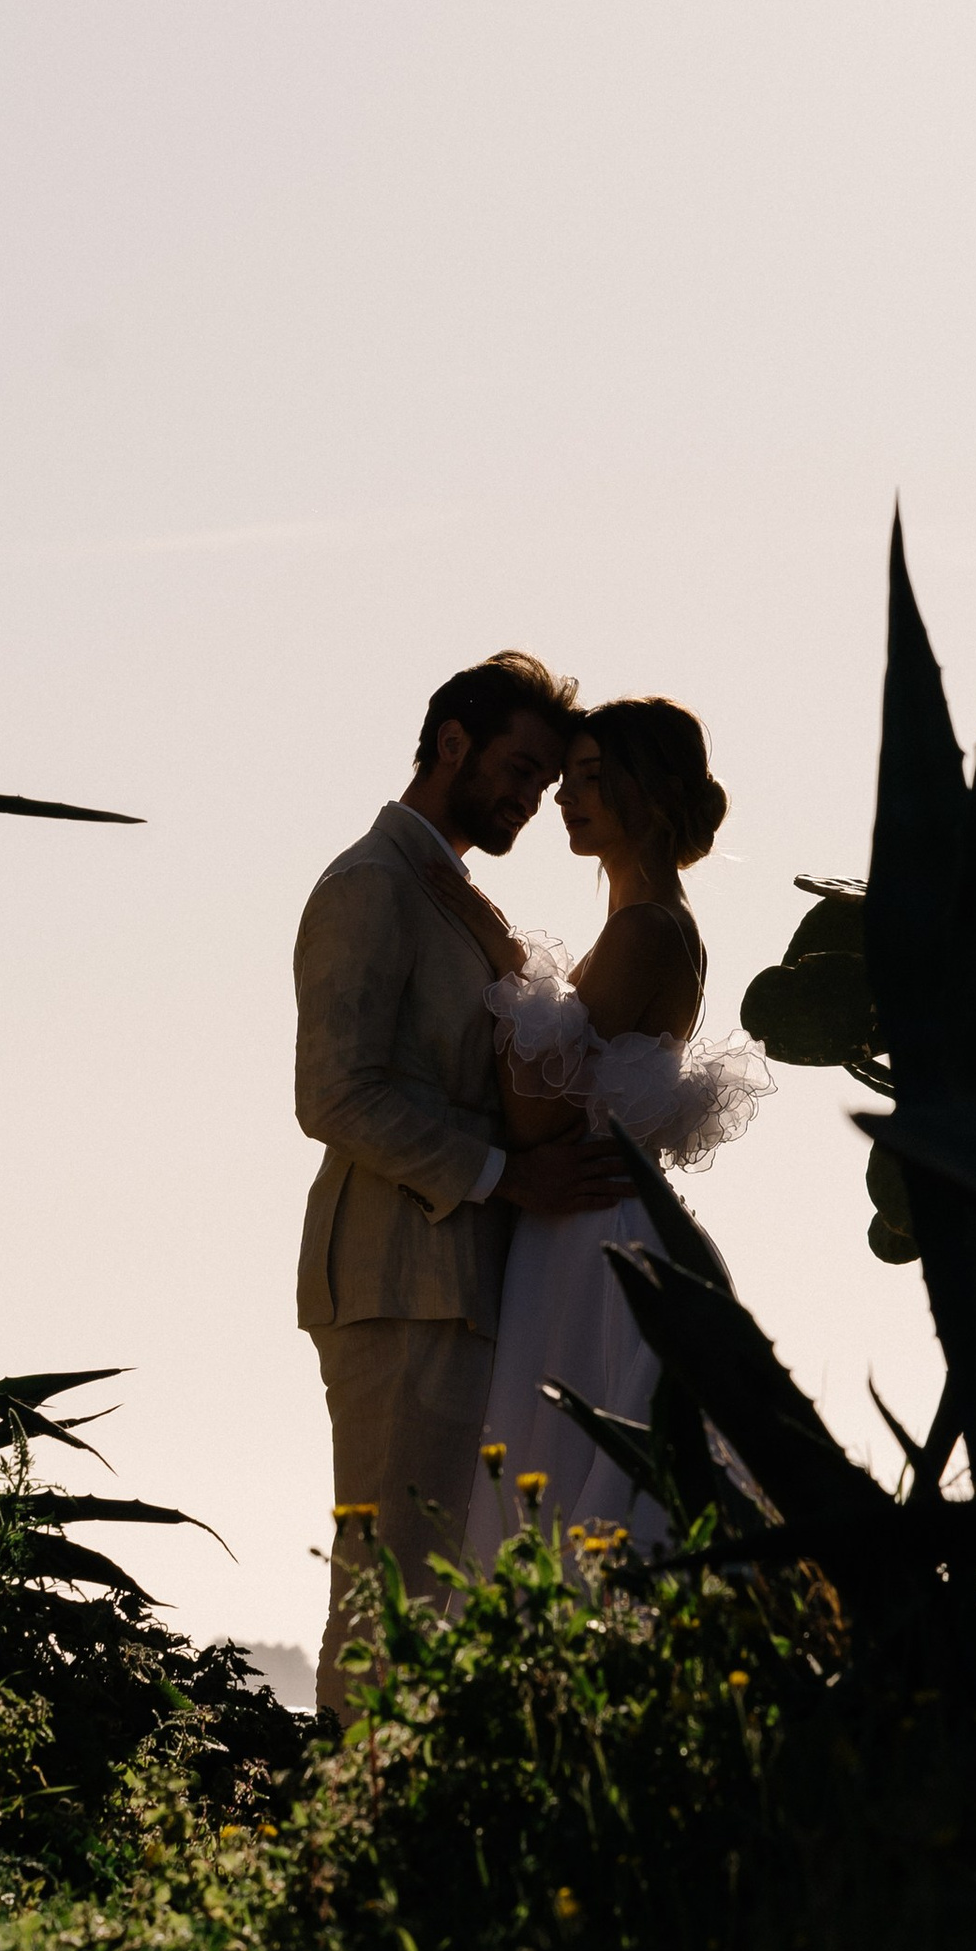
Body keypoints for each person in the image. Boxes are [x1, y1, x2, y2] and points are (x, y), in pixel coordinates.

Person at [294, 651, 629, 1719]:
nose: (531, 800)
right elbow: (334, 1097)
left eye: (544, 781)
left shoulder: (445, 887)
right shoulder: (368, 886)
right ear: (450, 744)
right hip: (397, 1281)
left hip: (467, 1281)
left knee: (439, 1582)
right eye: (519, 770)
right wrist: (504, 1171)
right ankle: (351, 1839)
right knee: (388, 1580)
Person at [465, 698, 766, 1571]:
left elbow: (537, 1114)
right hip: (598, 1228)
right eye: (568, 778)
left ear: (655, 789)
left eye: (594, 778)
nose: (566, 797)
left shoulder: (643, 929)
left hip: (597, 1239)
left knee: (575, 1490)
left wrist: (497, 951)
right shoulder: (650, 920)